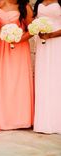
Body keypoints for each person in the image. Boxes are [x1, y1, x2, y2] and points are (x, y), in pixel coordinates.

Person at [0, 0, 34, 130]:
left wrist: (17, 39)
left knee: (18, 81)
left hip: (19, 47)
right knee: (5, 81)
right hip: (1, 47)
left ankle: (21, 119)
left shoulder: (25, 7)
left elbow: (32, 30)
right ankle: (4, 118)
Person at [33, 0, 61, 134]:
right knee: (43, 78)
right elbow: (35, 22)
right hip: (42, 43)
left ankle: (56, 121)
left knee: (56, 77)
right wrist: (38, 31)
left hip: (56, 41)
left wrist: (51, 35)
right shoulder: (40, 2)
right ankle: (43, 121)